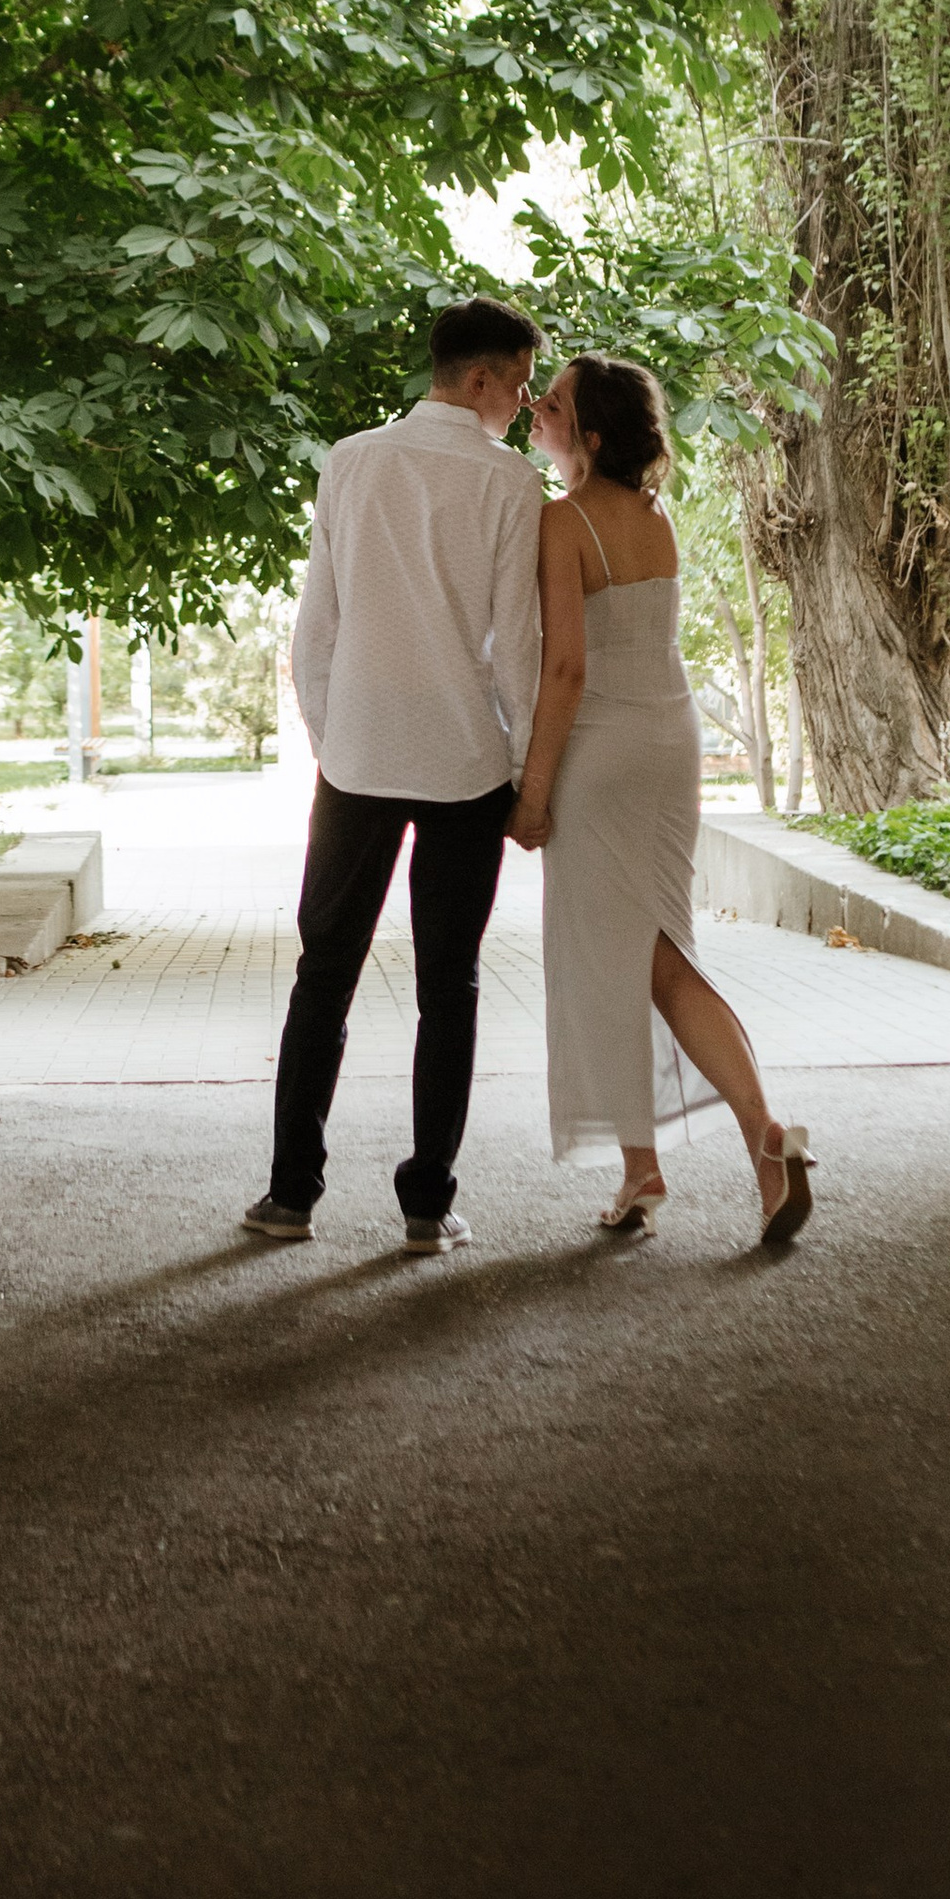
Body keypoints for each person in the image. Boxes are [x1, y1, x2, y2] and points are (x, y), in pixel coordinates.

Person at [242, 298, 544, 1254]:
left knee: (320, 978)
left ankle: (290, 1196)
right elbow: (517, 657)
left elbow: (315, 629)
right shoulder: (513, 486)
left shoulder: (351, 460)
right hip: (466, 765)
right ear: (484, 380)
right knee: (448, 986)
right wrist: (529, 771)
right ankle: (426, 1207)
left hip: (359, 762)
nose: (527, 400)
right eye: (523, 380)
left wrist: (339, 743)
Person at [509, 353, 814, 1248]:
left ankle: (763, 1134)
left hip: (600, 752)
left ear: (590, 437)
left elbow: (565, 667)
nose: (536, 406)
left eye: (553, 402)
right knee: (647, 948)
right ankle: (642, 1169)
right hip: (670, 742)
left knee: (650, 962)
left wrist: (532, 793)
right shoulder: (656, 518)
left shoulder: (563, 525)